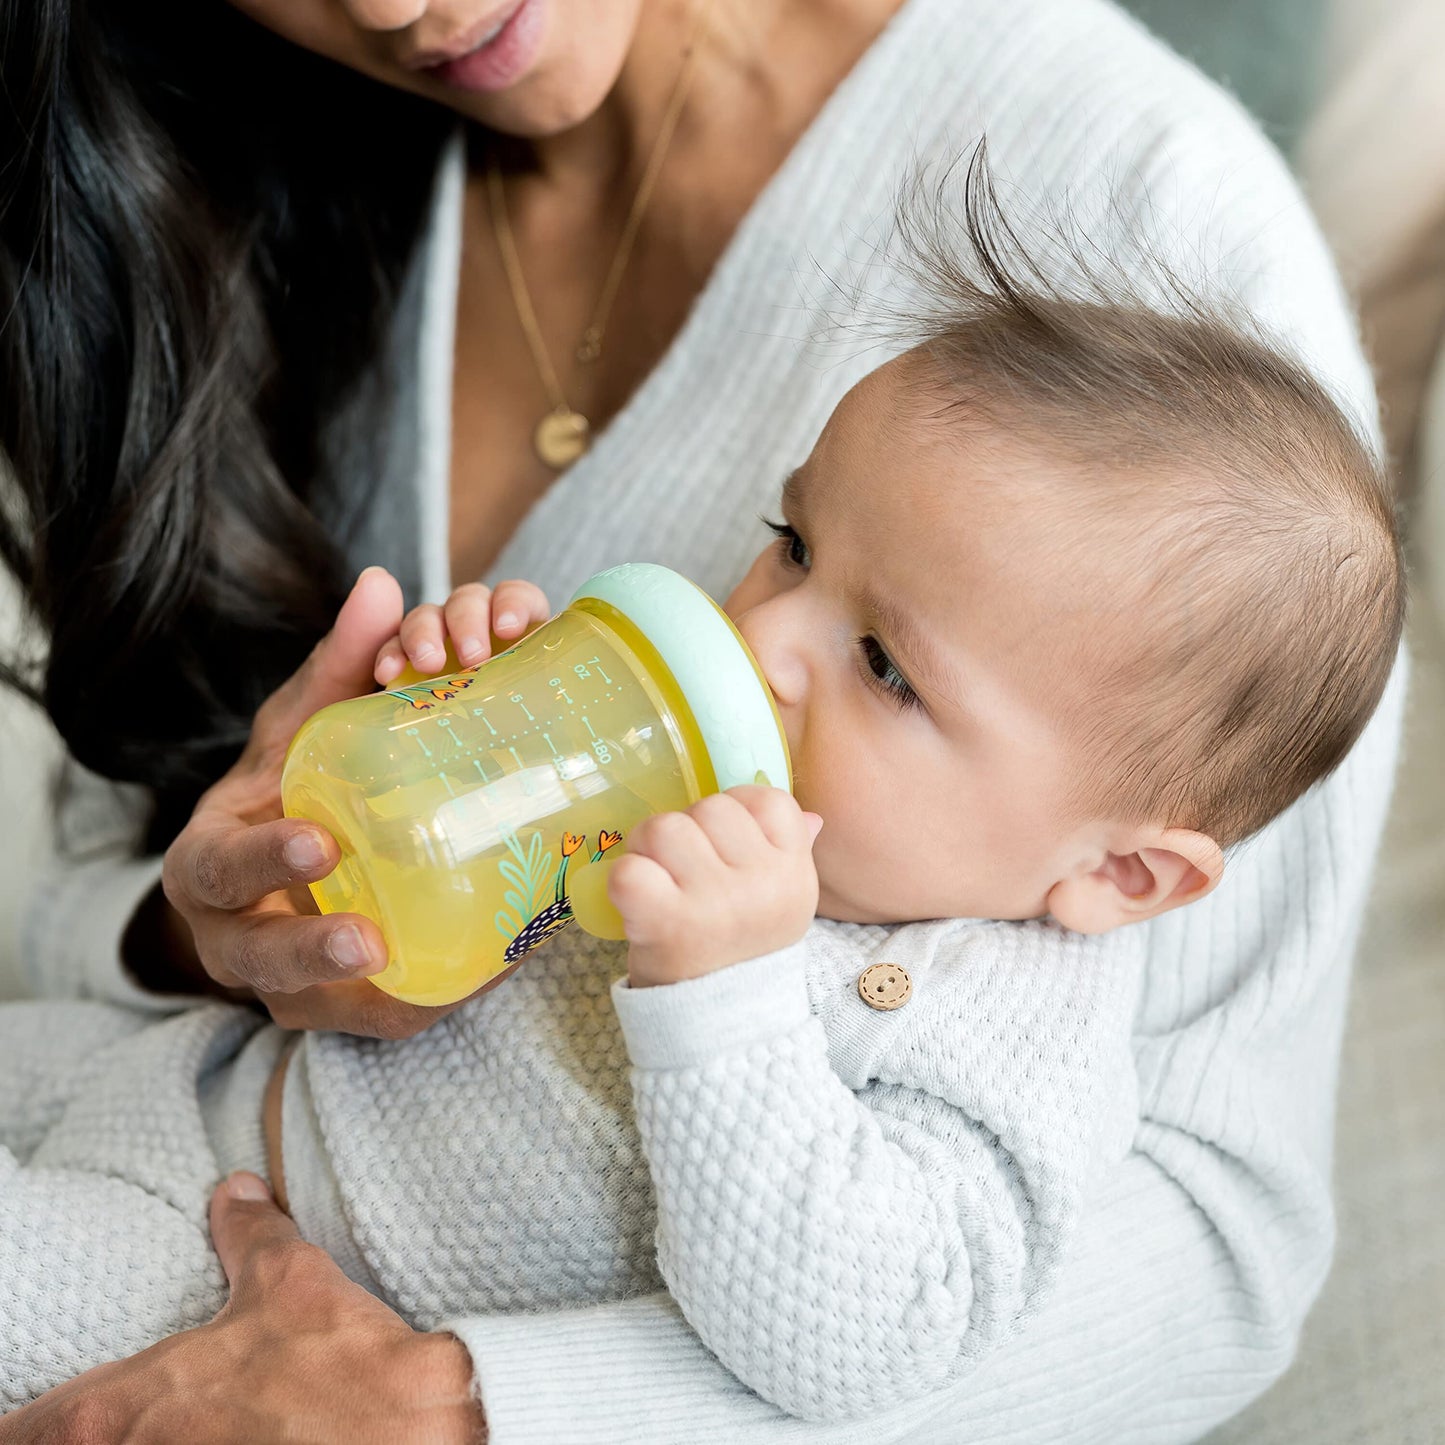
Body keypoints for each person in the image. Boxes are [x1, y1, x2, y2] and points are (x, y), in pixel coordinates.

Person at [0, 0, 1405, 1441]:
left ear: (1121, 874)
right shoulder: (219, 148)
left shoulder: (1147, 228)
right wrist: (247, 901)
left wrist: (478, 1412)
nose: (758, 633)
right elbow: (82, 897)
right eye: (780, 541)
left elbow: (1196, 1241)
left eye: (886, 666)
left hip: (214, 1257)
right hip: (167, 1084)